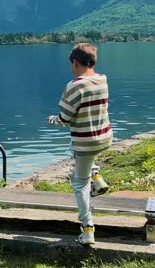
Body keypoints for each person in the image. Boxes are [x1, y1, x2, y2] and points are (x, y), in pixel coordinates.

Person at [47, 43, 112, 245]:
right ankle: (98, 178)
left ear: (75, 62)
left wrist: (52, 120)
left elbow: (65, 118)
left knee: (79, 183)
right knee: (78, 151)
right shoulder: (103, 80)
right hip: (105, 137)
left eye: (71, 64)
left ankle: (87, 228)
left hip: (87, 142)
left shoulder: (75, 86)